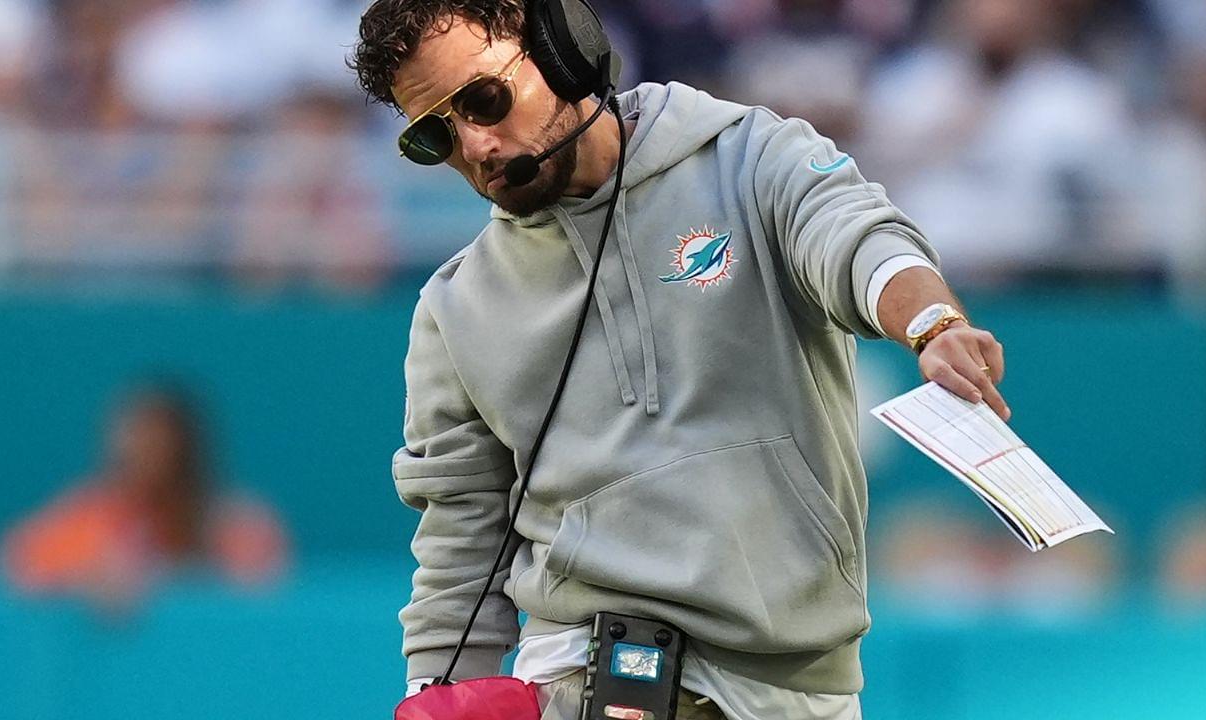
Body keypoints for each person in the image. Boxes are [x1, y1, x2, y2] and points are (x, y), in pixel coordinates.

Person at [350, 1, 1009, 717]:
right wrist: (433, 692)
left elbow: (852, 236)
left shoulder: (751, 156)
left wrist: (932, 323)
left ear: (562, 47)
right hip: (579, 675)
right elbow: (459, 536)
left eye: (484, 98)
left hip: (793, 685)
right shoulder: (455, 307)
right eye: (434, 136)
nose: (475, 145)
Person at [0, 385, 287, 608]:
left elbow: (264, 598)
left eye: (154, 439)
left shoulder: (237, 521)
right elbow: (20, 565)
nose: (139, 450)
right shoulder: (93, 515)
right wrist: (82, 580)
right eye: (131, 438)